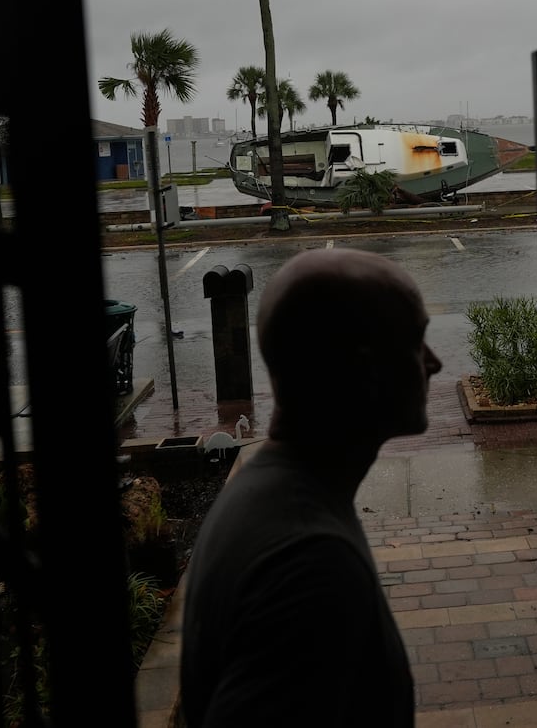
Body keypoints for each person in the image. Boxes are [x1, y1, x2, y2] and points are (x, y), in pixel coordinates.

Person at [179, 248, 443, 727]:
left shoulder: (269, 493)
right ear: (365, 368)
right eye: (416, 340)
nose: (434, 362)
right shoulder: (310, 565)